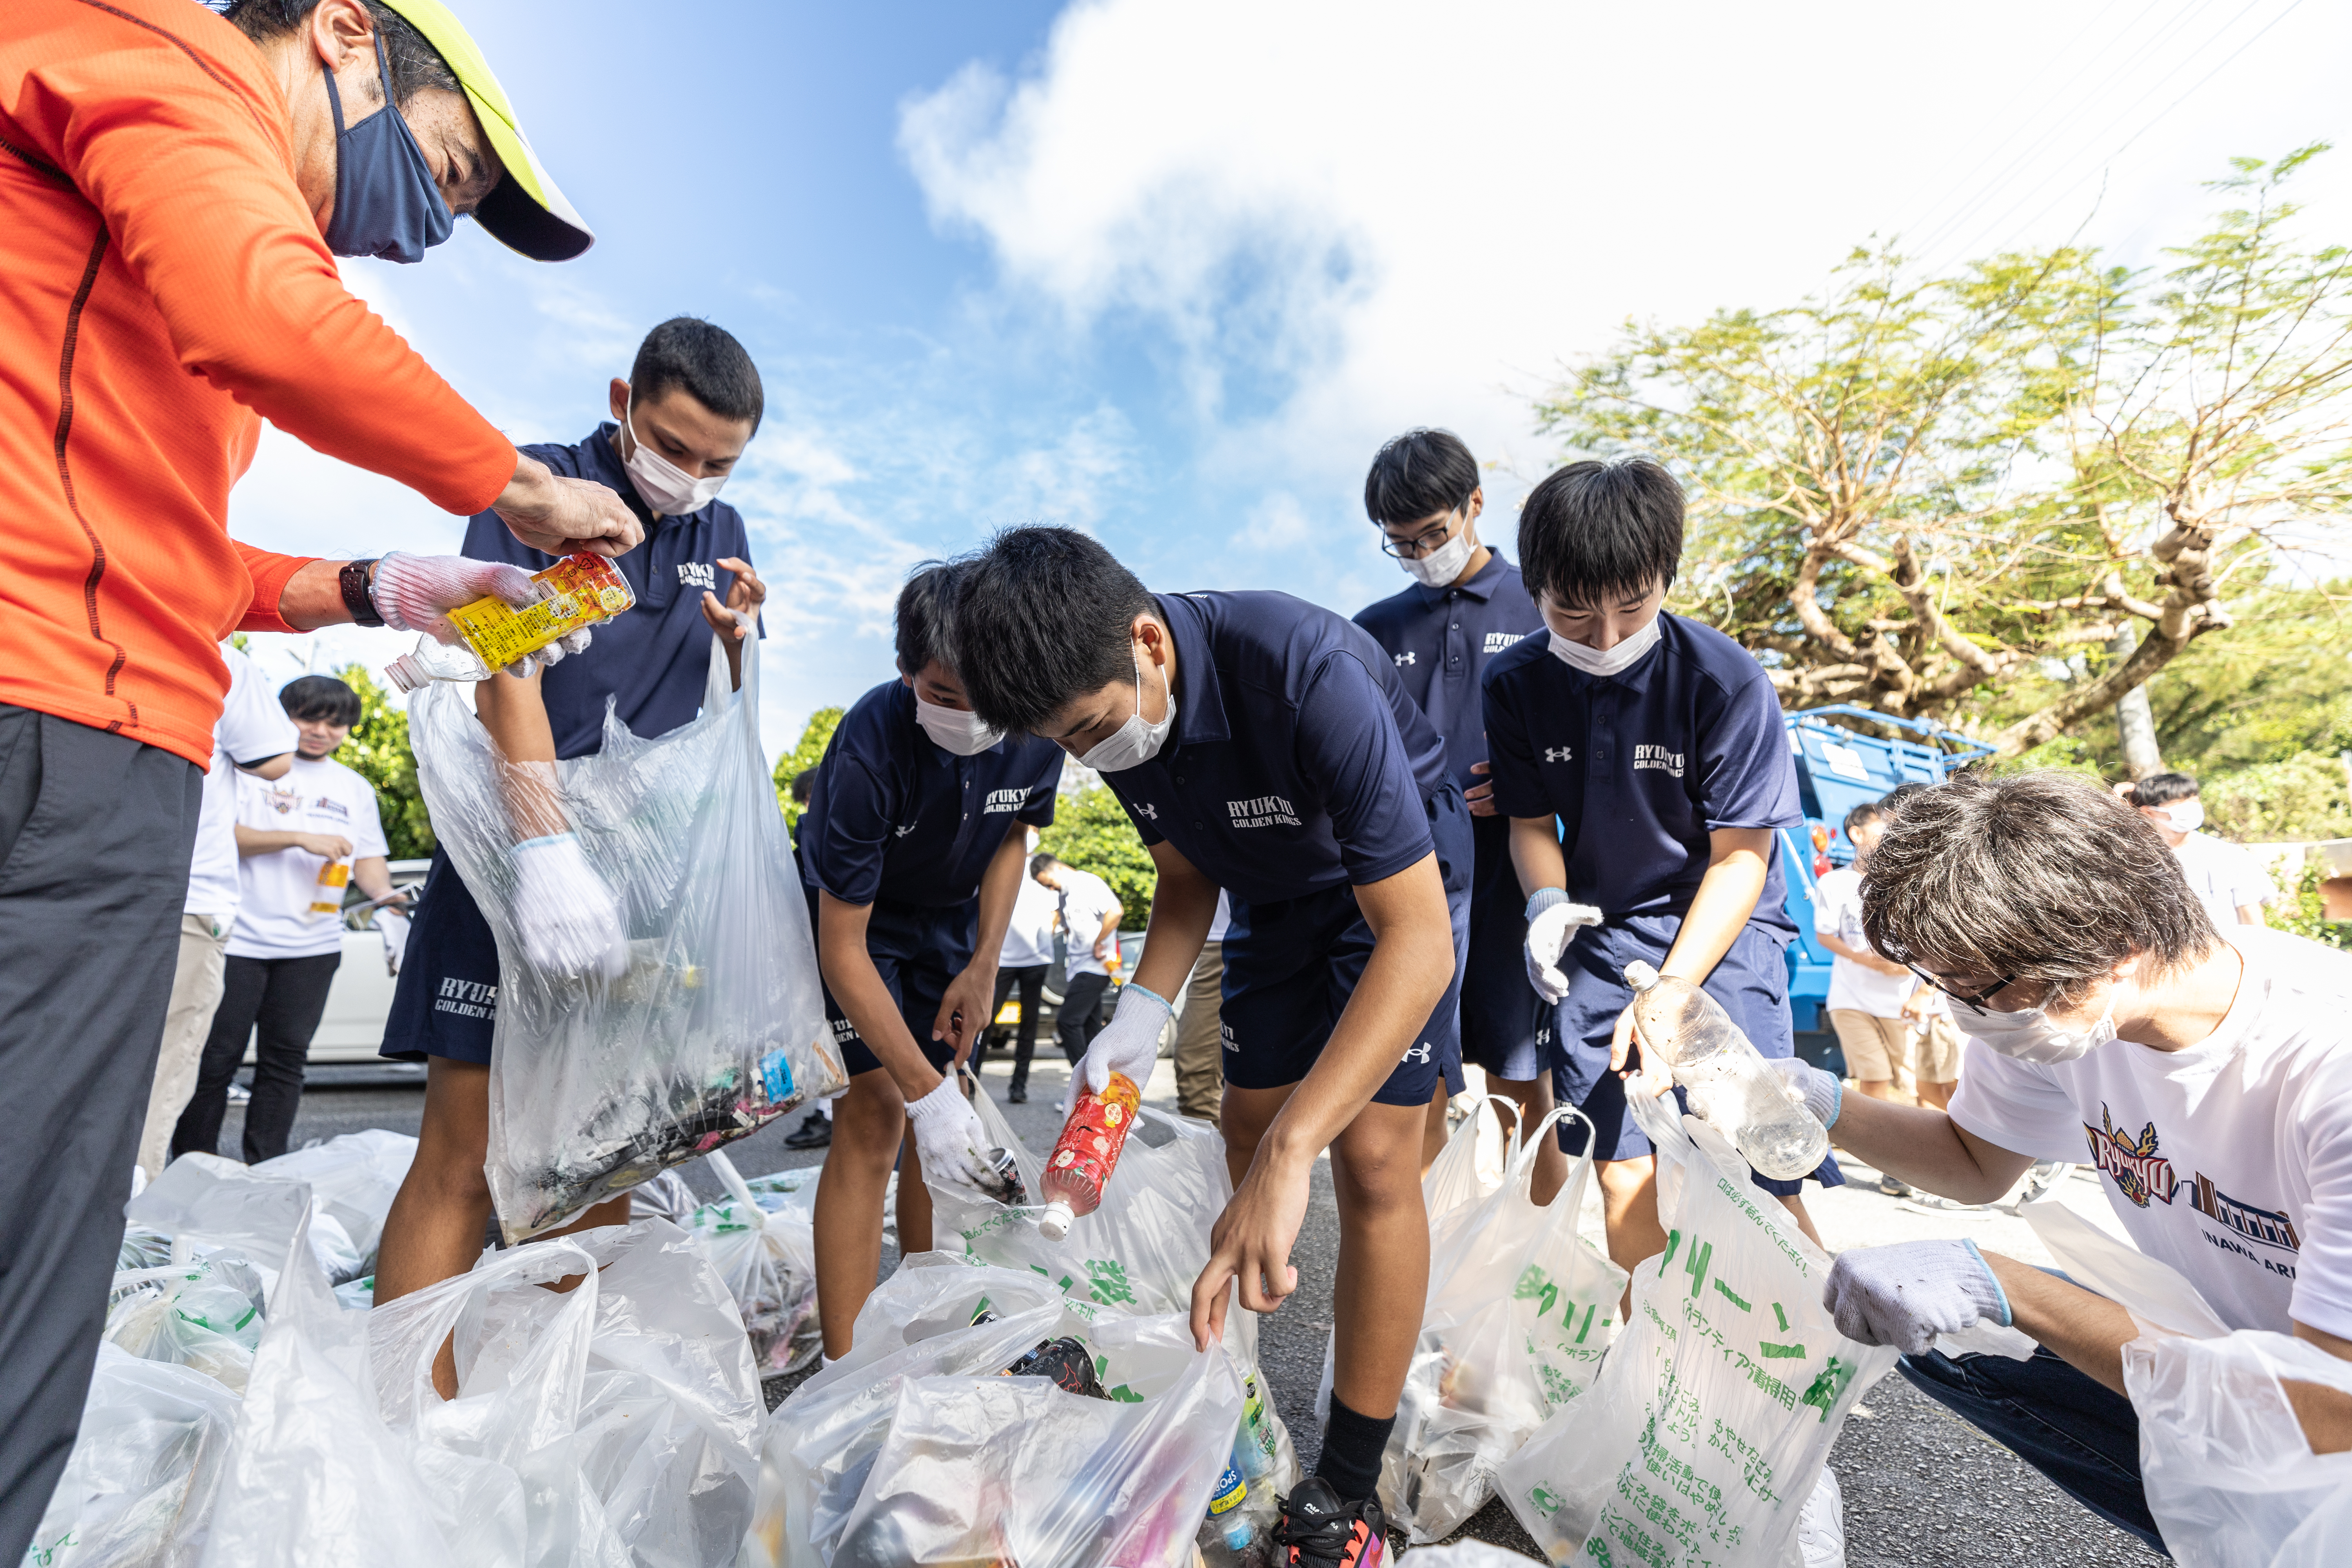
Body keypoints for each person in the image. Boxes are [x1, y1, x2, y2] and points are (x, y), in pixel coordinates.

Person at [1, 0, 633, 1539]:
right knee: (32, 1252)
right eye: (448, 171)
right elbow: (255, 308)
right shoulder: (171, 67)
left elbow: (160, 550)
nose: (429, 230)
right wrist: (521, 487)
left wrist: (378, 587)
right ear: (345, 31)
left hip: (76, 698)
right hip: (62, 737)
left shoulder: (106, 245)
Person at [951, 526, 1473, 1561]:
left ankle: (1348, 1481)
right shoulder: (1110, 711)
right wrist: (1142, 1012)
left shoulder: (1300, 671)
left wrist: (1295, 1154)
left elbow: (1419, 942)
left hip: (1397, 892)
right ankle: (1231, 1388)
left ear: (1149, 642)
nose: (1089, 756)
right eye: (1065, 744)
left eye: (1093, 729)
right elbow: (1187, 878)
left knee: (1368, 1159)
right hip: (1270, 899)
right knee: (1242, 1119)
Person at [1766, 770, 2352, 1555]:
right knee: (1953, 1347)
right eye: (1947, 987)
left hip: (2325, 1399)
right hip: (2257, 1368)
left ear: (2120, 942)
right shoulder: (2054, 1011)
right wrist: (1825, 1103)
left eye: (1980, 990)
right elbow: (1975, 1159)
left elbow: (2330, 1408)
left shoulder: (2325, 1067)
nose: (1968, 1015)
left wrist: (2011, 1285)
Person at [372, 318, 769, 1397]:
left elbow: (698, 714)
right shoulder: (539, 491)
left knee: (604, 1157)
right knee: (465, 1154)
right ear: (622, 401)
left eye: (717, 463)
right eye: (672, 446)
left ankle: (546, 1412)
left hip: (643, 880)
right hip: (517, 862)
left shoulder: (722, 532)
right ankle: (408, 1423)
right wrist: (545, 849)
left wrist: (736, 641)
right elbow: (508, 669)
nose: (689, 479)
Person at [1482, 457, 1839, 1293]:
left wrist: (1676, 989)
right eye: (1574, 613)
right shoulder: (1517, 683)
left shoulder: (1725, 680)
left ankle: (1817, 1348)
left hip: (1720, 931)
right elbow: (1531, 821)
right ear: (1534, 589)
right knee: (1621, 1166)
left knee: (1753, 1161)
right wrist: (1546, 901)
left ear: (1664, 581)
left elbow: (1742, 855)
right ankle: (1651, 1364)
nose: (1604, 637)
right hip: (1603, 940)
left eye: (1631, 607)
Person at [800, 566, 1063, 1359]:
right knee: (884, 1110)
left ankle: (924, 1313)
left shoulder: (1032, 722)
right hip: (864, 921)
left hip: (958, 922)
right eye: (946, 695)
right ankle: (846, 1360)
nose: (974, 717)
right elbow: (841, 941)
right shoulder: (870, 743)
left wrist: (985, 962)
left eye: (989, 696)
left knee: (940, 1121)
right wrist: (922, 1088)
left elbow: (1013, 836)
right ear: (907, 672)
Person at [1351, 428, 1554, 1189]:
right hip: (1413, 871)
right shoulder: (1373, 628)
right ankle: (1427, 1253)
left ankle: (1539, 1249)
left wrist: (1535, 780)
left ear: (1474, 504)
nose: (1422, 552)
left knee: (1518, 1070)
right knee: (1419, 1071)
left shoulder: (1540, 599)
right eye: (1402, 544)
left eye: (1434, 533)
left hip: (1511, 865)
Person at [171, 676, 401, 1164]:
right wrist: (299, 837)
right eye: (308, 718)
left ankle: (268, 1166)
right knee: (215, 1060)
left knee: (286, 1062)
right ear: (282, 719)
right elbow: (219, 836)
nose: (321, 731)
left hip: (313, 946)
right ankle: (195, 1165)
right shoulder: (246, 771)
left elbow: (369, 860)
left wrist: (385, 898)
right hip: (236, 939)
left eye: (335, 723)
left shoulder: (353, 787)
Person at [135, 646, 300, 1181]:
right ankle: (120, 1230)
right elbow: (273, 759)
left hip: (74, 888)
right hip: (185, 896)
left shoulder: (59, 627)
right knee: (161, 1069)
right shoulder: (211, 651)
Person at [2124, 772, 2275, 929]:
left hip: (2225, 950)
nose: (2190, 808)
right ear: (2148, 812)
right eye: (2178, 803)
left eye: (2194, 801)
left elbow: (2253, 920)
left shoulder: (2229, 855)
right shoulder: (2135, 860)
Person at [1030, 851, 1125, 1094]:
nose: (1049, 889)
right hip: (1080, 968)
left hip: (1096, 967)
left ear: (1057, 868)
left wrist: (1099, 941)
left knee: (1068, 1022)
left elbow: (1116, 911)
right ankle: (1101, 1092)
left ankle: (1087, 1087)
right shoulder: (1065, 895)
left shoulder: (1088, 883)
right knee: (1091, 1031)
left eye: (1048, 883)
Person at [992, 846, 1060, 1103]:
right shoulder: (998, 861)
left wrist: (1044, 938)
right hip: (1005, 958)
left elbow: (1055, 912)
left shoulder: (1042, 871)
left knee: (1029, 1025)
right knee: (986, 1020)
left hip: (1037, 960)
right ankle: (971, 1080)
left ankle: (1018, 1087)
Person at [1172, 892, 1234, 1122]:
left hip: (1322, 925)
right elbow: (1177, 881)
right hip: (1219, 941)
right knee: (1195, 1076)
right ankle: (1219, 1158)